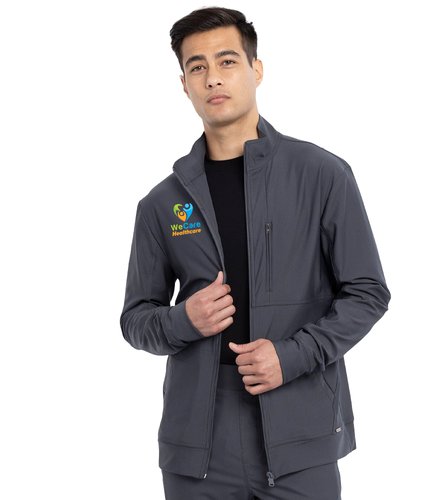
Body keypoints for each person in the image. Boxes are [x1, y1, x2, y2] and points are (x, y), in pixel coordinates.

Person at [119, 6, 391, 499]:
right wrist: (184, 320)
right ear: (184, 85)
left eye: (227, 61)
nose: (212, 77)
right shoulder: (162, 203)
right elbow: (135, 319)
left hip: (299, 426)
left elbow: (368, 293)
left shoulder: (321, 175)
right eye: (197, 67)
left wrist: (291, 357)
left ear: (256, 69)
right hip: (197, 444)